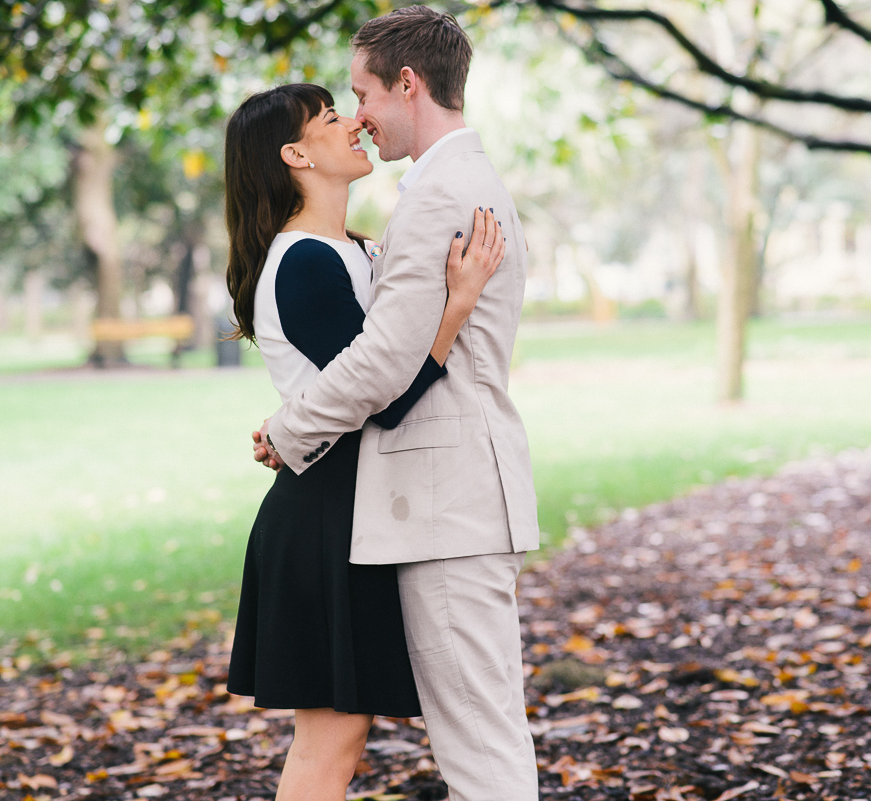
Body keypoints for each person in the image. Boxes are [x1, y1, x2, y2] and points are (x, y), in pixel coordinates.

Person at [252, 7, 540, 799]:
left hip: (446, 501)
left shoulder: (438, 190)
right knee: (477, 737)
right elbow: (389, 354)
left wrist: (288, 428)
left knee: (480, 747)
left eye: (360, 94)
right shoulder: (449, 185)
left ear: (406, 83)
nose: (359, 117)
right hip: (422, 499)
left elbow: (382, 360)